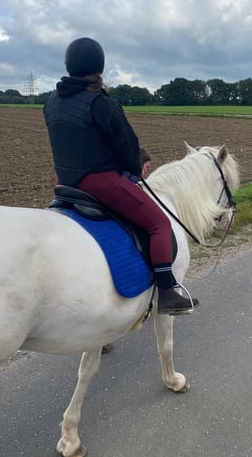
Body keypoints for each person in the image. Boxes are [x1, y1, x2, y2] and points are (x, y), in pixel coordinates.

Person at [43, 37, 198, 315]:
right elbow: (126, 145)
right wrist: (136, 167)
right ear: (99, 65)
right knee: (159, 224)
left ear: (68, 65)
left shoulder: (52, 102)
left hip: (64, 183)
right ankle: (166, 291)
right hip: (100, 183)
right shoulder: (100, 103)